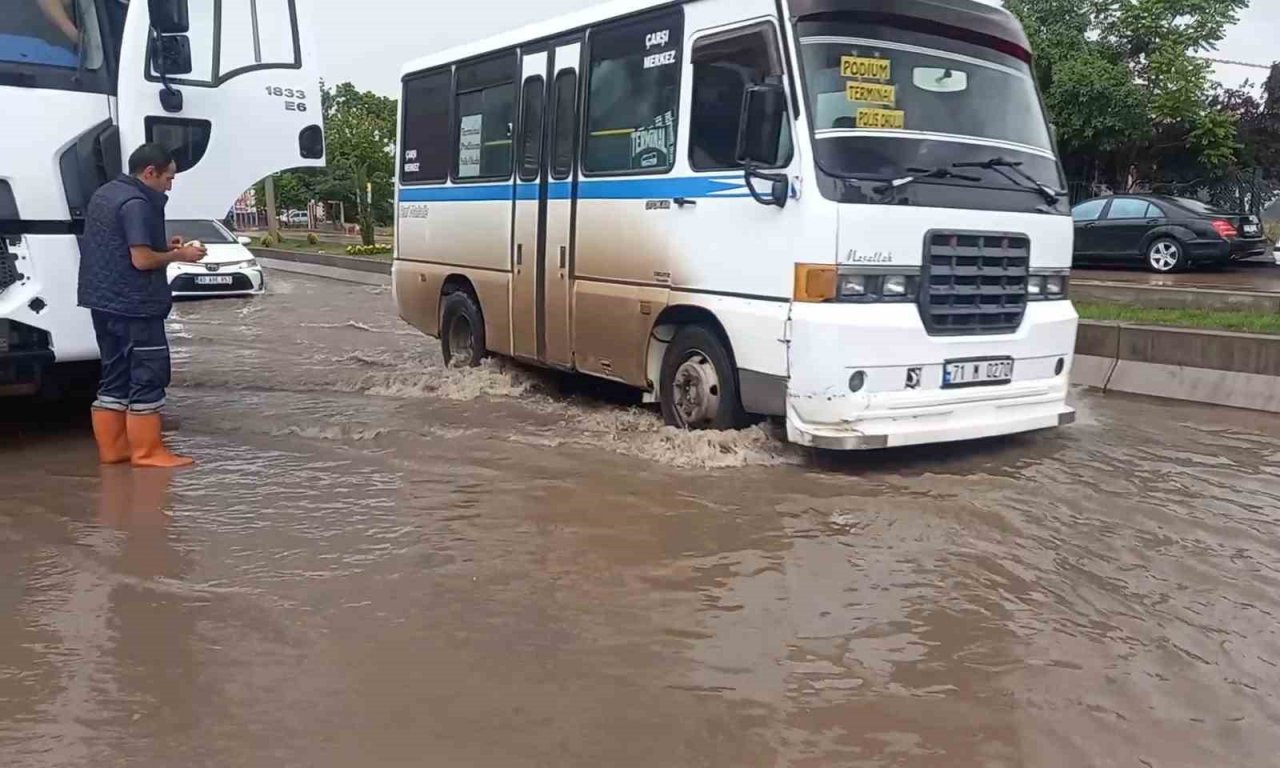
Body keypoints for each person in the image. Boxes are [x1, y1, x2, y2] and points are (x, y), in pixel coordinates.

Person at [78, 143, 206, 468]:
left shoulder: (106, 194)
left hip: (102, 303)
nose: (170, 185)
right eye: (168, 178)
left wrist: (164, 245)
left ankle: (114, 450)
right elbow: (142, 260)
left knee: (114, 375)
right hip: (135, 305)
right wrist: (180, 255)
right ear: (150, 172)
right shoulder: (138, 203)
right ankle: (148, 452)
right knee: (148, 373)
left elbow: (119, 246)